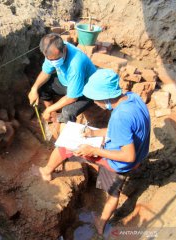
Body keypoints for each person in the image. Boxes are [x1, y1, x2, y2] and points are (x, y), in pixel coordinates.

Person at [37, 69, 151, 236]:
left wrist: (94, 150)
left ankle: (47, 172)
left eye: (96, 99)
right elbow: (125, 131)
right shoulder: (133, 99)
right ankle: (102, 221)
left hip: (120, 163)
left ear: (105, 97)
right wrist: (94, 133)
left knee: (65, 148)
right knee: (113, 188)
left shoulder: (120, 117)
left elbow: (128, 155)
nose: (94, 103)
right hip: (139, 155)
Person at [28, 33, 97, 134]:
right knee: (42, 88)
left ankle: (66, 140)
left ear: (64, 49)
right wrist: (34, 89)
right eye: (50, 60)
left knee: (67, 112)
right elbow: (46, 72)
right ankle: (54, 117)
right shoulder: (52, 50)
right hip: (67, 82)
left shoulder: (76, 64)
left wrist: (48, 110)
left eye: (56, 59)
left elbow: (72, 97)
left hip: (86, 90)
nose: (53, 62)